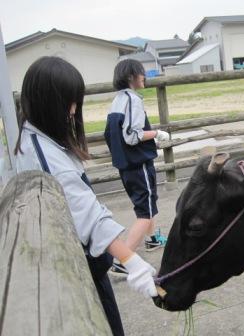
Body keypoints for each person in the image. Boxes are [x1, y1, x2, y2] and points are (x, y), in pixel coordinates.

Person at [14, 56, 159, 336]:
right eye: (70, 102)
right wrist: (133, 262)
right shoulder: (46, 158)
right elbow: (87, 216)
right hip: (81, 262)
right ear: (49, 103)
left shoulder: (35, 138)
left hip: (80, 256)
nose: (73, 110)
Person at [104, 59, 169, 276]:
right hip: (138, 164)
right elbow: (132, 136)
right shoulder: (133, 100)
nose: (144, 77)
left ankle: (152, 240)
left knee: (147, 204)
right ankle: (122, 261)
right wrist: (157, 133)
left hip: (127, 166)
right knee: (144, 212)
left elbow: (111, 135)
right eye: (141, 73)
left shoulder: (117, 100)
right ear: (132, 75)